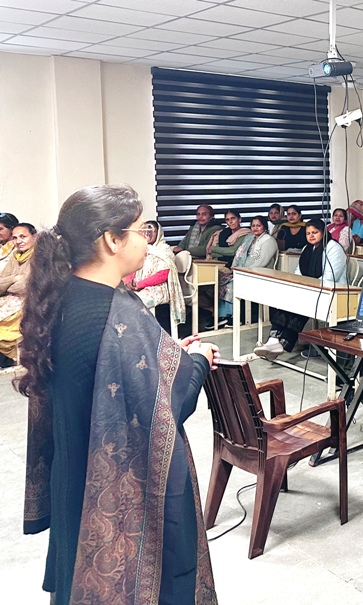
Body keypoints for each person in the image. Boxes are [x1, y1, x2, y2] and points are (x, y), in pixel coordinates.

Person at [18, 184, 219, 604]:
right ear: (112, 239)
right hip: (118, 490)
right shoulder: (116, 311)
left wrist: (166, 354)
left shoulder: (62, 294)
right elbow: (167, 403)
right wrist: (197, 358)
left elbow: (120, 369)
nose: (148, 238)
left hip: (73, 470)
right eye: (140, 229)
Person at [254, 219, 348, 359]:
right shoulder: (307, 249)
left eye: (315, 232)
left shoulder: (334, 248)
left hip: (333, 292)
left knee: (301, 302)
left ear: (323, 232)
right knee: (287, 297)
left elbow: (329, 278)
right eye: (308, 233)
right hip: (312, 289)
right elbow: (299, 272)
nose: (311, 236)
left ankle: (283, 341)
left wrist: (306, 290)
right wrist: (297, 287)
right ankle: (274, 340)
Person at [124, 221, 186, 334]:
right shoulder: (141, 249)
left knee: (134, 303)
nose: (147, 233)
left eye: (151, 230)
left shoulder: (164, 250)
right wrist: (129, 282)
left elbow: (162, 274)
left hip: (157, 288)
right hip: (138, 286)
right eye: (144, 230)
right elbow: (133, 267)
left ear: (158, 233)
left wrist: (139, 285)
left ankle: (145, 336)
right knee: (121, 299)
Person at [218, 216, 278, 322]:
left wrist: (245, 271)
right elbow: (239, 254)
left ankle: (235, 316)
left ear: (264, 227)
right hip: (244, 272)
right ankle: (224, 315)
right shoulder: (249, 238)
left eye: (258, 225)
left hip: (260, 274)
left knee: (232, 284)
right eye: (253, 225)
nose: (255, 228)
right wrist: (237, 269)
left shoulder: (269, 240)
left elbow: (262, 262)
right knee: (223, 281)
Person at [0, 223, 36, 366]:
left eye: (23, 237)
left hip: (27, 303)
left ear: (34, 237)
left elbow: (24, 286)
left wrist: (8, 283)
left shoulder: (39, 255)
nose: (18, 241)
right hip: (8, 301)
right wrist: (14, 278)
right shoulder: (14, 256)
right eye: (15, 238)